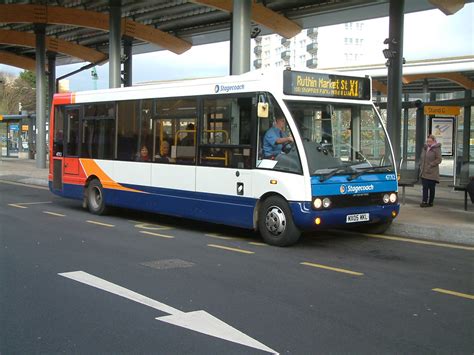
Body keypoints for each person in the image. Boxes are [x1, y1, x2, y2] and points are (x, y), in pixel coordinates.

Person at [419, 134, 442, 207]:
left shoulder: (437, 149)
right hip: (424, 171)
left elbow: (439, 159)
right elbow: (422, 157)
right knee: (425, 187)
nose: (428, 143)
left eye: (430, 141)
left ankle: (431, 202)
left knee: (431, 188)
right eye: (427, 141)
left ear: (434, 141)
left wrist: (431, 164)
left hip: (432, 172)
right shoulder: (425, 148)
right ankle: (424, 201)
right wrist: (420, 164)